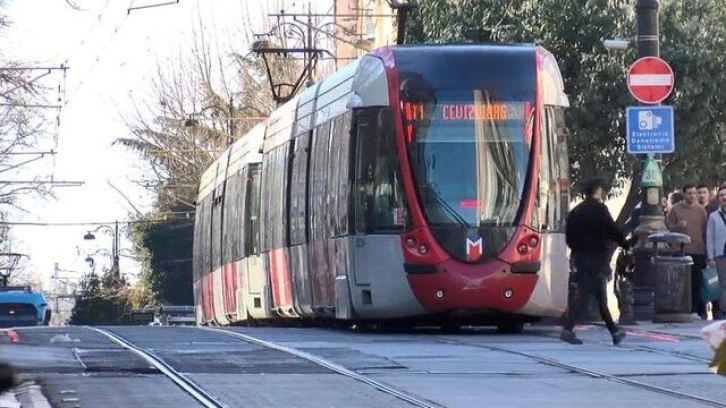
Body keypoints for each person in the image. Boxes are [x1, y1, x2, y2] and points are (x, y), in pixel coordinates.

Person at [561, 178, 629, 345]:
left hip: (582, 258)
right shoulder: (600, 210)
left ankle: (614, 332)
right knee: (591, 296)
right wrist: (625, 244)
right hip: (597, 258)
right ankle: (569, 329)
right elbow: (612, 230)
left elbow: (569, 236)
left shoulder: (576, 211)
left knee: (594, 295)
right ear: (598, 191)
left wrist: (577, 250)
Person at [666, 184, 708, 319]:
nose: (693, 196)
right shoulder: (676, 210)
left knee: (697, 281)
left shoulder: (701, 210)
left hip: (698, 250)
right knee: (682, 283)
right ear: (684, 194)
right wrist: (678, 226)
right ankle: (683, 310)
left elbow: (705, 230)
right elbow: (668, 227)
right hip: (681, 250)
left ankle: (696, 310)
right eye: (690, 193)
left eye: (694, 193)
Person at [706, 185, 726, 320]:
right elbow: (710, 237)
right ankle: (723, 309)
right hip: (720, 254)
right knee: (722, 284)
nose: (724, 197)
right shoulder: (714, 216)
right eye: (722, 195)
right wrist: (711, 256)